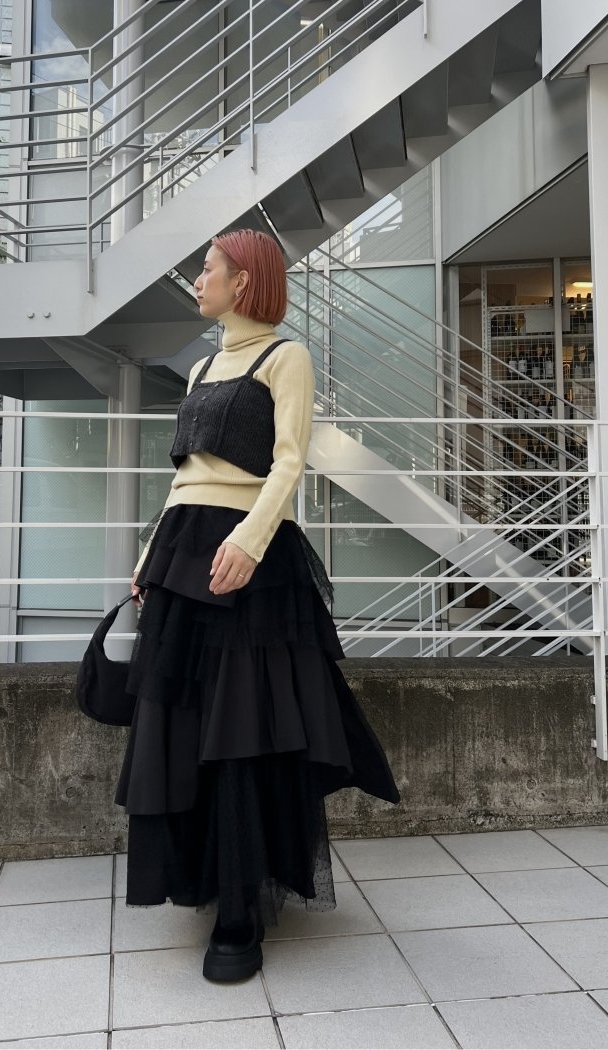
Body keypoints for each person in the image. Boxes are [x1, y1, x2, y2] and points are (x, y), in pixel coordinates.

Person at [115, 228, 400, 983]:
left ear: (244, 281)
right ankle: (201, 875)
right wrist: (148, 555)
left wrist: (248, 539)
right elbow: (184, 477)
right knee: (182, 721)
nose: (197, 280)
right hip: (183, 547)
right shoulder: (202, 365)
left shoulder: (286, 356)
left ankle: (240, 910)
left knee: (242, 726)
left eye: (207, 268)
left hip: (251, 551)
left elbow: (289, 461)